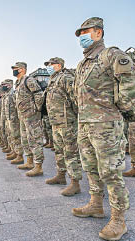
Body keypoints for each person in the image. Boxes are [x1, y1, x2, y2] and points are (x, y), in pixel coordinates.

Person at [72, 17, 135, 241]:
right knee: (91, 167)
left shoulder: (111, 55)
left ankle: (118, 219)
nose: (81, 37)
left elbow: (133, 82)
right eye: (79, 34)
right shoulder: (83, 63)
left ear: (97, 33)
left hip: (106, 124)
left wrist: (121, 109)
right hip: (85, 124)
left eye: (84, 32)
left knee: (111, 173)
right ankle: (96, 204)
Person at [43, 57, 83, 196]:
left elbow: (76, 99)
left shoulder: (66, 78)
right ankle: (61, 176)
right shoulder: (52, 80)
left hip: (68, 123)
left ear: (58, 65)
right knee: (59, 151)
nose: (48, 66)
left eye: (50, 64)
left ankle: (75, 183)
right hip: (56, 122)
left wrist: (75, 117)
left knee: (71, 153)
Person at [11, 62, 45, 177]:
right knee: (25, 140)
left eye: (16, 68)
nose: (14, 70)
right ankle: (29, 162)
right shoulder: (18, 83)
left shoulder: (28, 80)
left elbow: (39, 94)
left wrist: (36, 109)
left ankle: (38, 166)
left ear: (22, 69)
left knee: (35, 140)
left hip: (31, 116)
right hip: (23, 116)